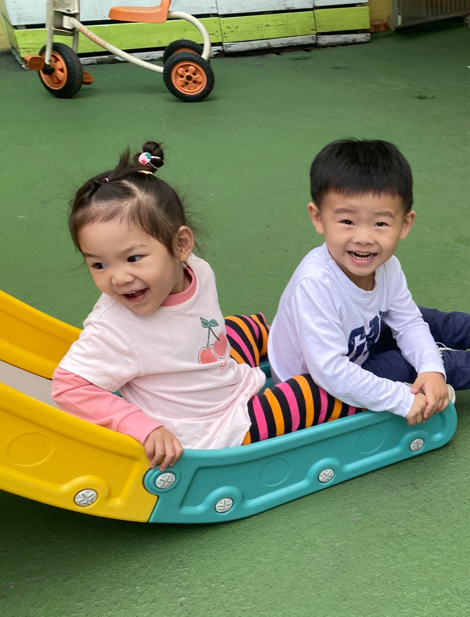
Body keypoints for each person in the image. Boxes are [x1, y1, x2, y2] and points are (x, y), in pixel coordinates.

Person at [52, 142, 360, 470]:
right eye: (98, 265)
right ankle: (371, 378)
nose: (119, 278)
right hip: (214, 430)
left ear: (181, 245)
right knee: (314, 390)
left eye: (133, 258)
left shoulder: (196, 270)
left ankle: (314, 343)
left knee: (245, 326)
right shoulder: (115, 327)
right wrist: (141, 425)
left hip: (214, 369)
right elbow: (69, 386)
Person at [269, 138, 470, 426]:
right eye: (347, 221)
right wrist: (404, 396)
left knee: (422, 321)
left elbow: (409, 323)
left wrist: (431, 368)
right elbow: (332, 373)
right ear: (318, 218)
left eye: (380, 223)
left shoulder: (387, 267)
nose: (363, 238)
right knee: (410, 365)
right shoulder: (315, 284)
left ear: (405, 224)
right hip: (315, 388)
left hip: (355, 349)